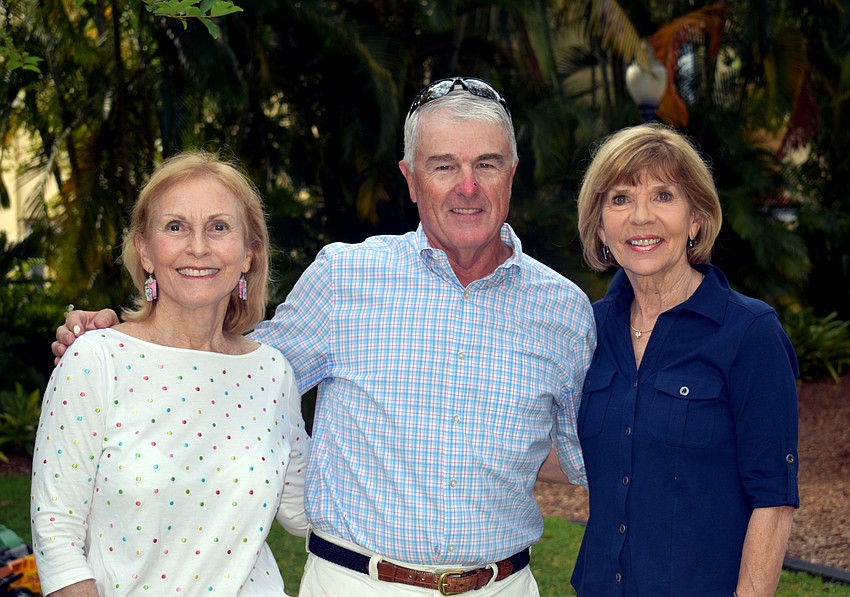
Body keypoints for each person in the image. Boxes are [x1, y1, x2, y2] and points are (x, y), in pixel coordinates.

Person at [53, 77, 596, 596]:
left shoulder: (564, 311)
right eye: (443, 166)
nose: (467, 186)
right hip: (356, 586)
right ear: (410, 179)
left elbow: (588, 449)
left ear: (512, 173)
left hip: (502, 586)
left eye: (487, 164)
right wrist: (126, 339)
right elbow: (225, 370)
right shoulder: (344, 279)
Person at [33, 151, 309, 596]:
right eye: (176, 226)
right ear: (144, 250)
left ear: (249, 253)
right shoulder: (95, 360)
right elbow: (56, 538)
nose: (198, 247)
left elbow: (306, 511)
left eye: (219, 227)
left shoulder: (271, 372)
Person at [572, 122, 799, 596]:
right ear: (600, 226)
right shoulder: (586, 330)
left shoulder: (749, 333)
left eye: (663, 196)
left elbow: (774, 500)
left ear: (696, 219)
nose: (641, 217)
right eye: (620, 199)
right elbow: (561, 450)